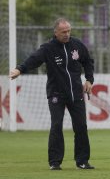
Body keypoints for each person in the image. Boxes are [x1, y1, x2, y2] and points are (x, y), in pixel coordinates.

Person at [9, 18, 95, 170]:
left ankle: (82, 161)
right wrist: (19, 69)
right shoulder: (48, 48)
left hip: (76, 93)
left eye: (69, 31)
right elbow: (33, 59)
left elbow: (88, 61)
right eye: (63, 32)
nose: (67, 34)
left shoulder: (77, 45)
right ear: (56, 32)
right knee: (56, 125)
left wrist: (89, 80)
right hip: (56, 94)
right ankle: (55, 162)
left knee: (81, 126)